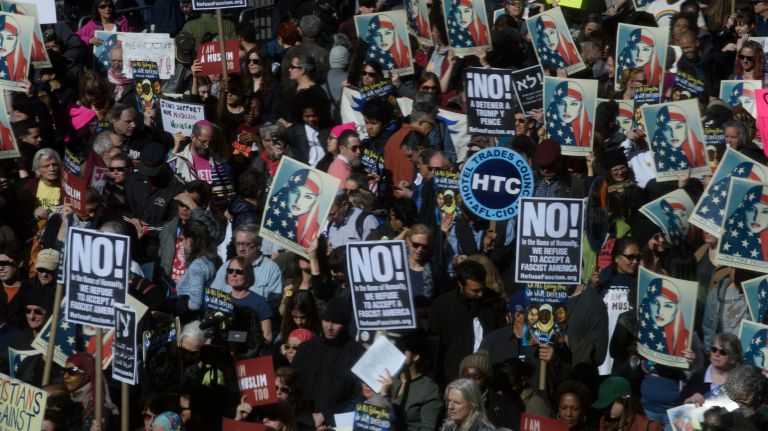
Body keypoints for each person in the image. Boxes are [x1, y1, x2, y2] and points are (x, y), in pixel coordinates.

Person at [291, 297, 365, 428]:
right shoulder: (306, 348)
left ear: (346, 324)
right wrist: (307, 418)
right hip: (303, 421)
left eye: (336, 323)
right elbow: (293, 387)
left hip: (339, 424)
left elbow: (359, 396)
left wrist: (326, 415)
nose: (329, 327)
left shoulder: (357, 353)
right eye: (326, 321)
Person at [262, 168, 323, 249]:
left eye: (307, 196)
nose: (298, 201)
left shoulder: (314, 232)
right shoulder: (271, 213)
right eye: (295, 191)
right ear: (287, 190)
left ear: (315, 201)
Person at [174, 220, 220, 317]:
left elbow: (195, 304)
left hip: (191, 319)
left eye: (183, 239)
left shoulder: (197, 265)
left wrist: (179, 306)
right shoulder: (210, 260)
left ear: (190, 241)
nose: (182, 243)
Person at [637, 277, 690, 357]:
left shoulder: (686, 338)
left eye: (668, 305)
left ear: (677, 308)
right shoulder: (638, 323)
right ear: (648, 302)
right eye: (655, 302)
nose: (660, 311)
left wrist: (692, 361)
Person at [226, 256, 272, 343]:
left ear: (248, 274)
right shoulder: (221, 300)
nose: (233, 274)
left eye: (239, 271)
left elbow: (267, 336)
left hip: (250, 353)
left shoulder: (260, 302)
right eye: (230, 271)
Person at [719, 183, 768, 261]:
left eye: (765, 211)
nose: (756, 218)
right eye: (752, 209)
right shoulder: (728, 237)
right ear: (743, 209)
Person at [651, 105, 706, 172]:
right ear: (660, 131)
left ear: (687, 127)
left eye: (678, 127)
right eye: (666, 128)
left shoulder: (703, 150)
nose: (673, 134)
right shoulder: (656, 153)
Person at [546, 80, 592, 149]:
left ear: (581, 106)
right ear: (555, 104)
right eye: (561, 103)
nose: (567, 110)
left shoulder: (590, 130)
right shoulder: (547, 125)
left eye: (573, 104)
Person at [0, 14, 29, 82]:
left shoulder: (24, 66)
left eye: (9, 38)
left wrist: (27, 91)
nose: (2, 44)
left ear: (17, 39)